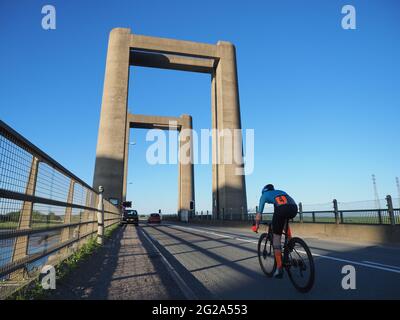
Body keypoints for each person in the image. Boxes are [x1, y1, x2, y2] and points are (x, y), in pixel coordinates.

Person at [254, 184, 298, 278]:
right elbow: (283, 206)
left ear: (264, 191)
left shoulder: (264, 196)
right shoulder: (280, 192)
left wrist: (256, 225)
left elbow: (259, 214)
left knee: (276, 238)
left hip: (281, 209)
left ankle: (279, 269)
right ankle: (290, 241)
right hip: (294, 207)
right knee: (284, 220)